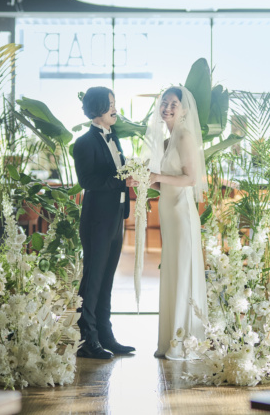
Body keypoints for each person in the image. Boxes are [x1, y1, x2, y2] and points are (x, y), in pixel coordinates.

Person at [73, 87, 138, 359]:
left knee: (107, 278)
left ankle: (105, 334)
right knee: (93, 278)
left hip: (116, 216)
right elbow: (88, 182)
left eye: (114, 103)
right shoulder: (83, 143)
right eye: (110, 104)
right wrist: (121, 181)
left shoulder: (115, 137)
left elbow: (114, 174)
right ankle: (86, 338)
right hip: (97, 219)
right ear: (97, 108)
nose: (115, 109)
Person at [145, 86, 209, 360]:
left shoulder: (183, 136)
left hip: (182, 214)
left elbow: (191, 179)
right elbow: (164, 180)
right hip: (168, 214)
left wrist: (156, 178)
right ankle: (170, 337)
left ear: (183, 110)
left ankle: (184, 341)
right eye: (164, 102)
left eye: (173, 104)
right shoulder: (166, 139)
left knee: (183, 270)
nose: (167, 107)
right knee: (172, 270)